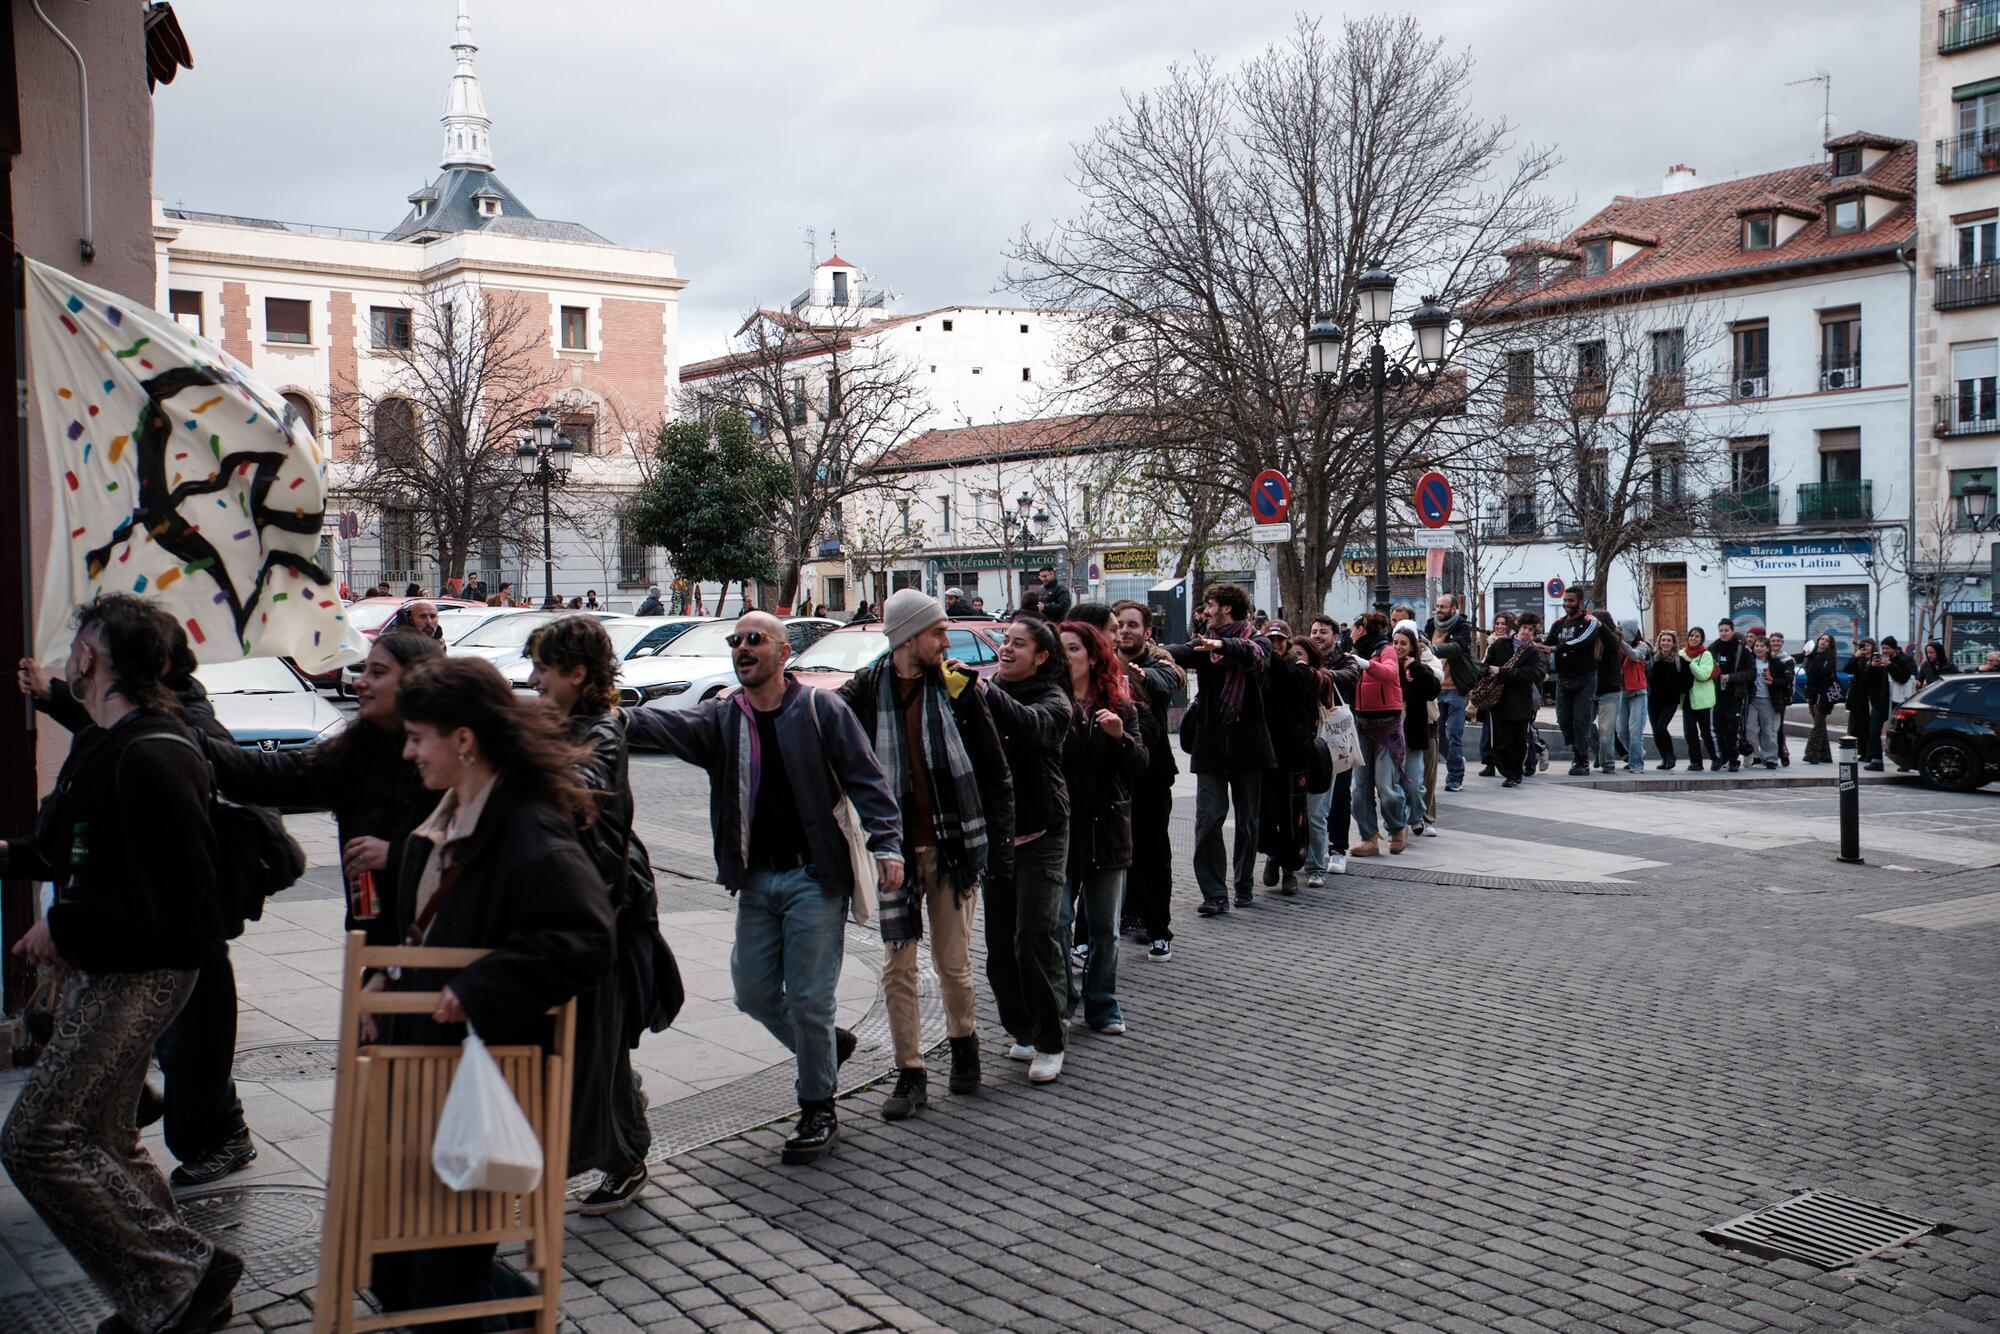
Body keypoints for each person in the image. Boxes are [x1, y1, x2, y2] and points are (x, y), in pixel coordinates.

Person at [3, 596, 244, 1334]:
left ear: (95, 659)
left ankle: (186, 1276)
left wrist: (63, 926)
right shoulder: (109, 738)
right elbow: (65, 847)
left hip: (145, 971)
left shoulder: (156, 750)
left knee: (37, 1137)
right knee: (106, 1134)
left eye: (80, 641)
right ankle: (175, 1293)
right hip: (110, 966)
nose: (68, 653)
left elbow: (178, 897)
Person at [361, 656, 612, 1328]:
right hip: (424, 1088)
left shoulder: (529, 827)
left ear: (464, 740)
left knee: (436, 1288)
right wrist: (384, 977)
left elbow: (584, 936)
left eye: (419, 737)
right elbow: (418, 930)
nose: (408, 751)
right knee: (397, 1270)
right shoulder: (441, 819)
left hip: (482, 1084)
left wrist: (479, 987)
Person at [624, 612, 902, 1164]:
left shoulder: (823, 710)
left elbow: (866, 778)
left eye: (754, 640)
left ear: (782, 651)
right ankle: (825, 1048)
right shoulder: (725, 719)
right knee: (752, 993)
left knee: (807, 997)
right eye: (736, 641)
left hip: (814, 877)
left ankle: (817, 1107)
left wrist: (887, 844)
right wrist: (611, 715)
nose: (742, 648)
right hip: (756, 880)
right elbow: (665, 726)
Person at [18, 624, 261, 1189]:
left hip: (189, 928)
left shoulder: (180, 724)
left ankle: (223, 1137)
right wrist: (53, 695)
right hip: (167, 926)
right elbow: (102, 728)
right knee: (170, 1042)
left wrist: (64, 923)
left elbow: (186, 860)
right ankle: (135, 1111)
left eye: (93, 652)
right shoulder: (144, 718)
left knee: (192, 1047)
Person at [836, 590, 1013, 1122]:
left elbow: (994, 770)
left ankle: (965, 1047)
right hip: (893, 852)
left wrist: (999, 849)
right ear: (908, 636)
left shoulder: (959, 686)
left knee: (953, 964)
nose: (945, 639)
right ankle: (909, 1072)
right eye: (937, 631)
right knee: (897, 966)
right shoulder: (865, 690)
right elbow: (821, 726)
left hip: (951, 847)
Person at [524, 617, 663, 1214]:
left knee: (596, 1047)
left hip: (602, 908)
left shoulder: (601, 731)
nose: (532, 681)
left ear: (577, 674)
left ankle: (626, 1159)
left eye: (542, 669)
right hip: (578, 905)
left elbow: (579, 787)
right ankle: (624, 1125)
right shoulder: (568, 722)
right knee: (598, 1047)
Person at [978, 617, 1074, 1083]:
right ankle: (1022, 1028)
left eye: (1019, 644)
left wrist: (984, 695)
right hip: (997, 838)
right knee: (998, 946)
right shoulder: (985, 690)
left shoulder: (1053, 699)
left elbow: (1034, 727)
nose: (1007, 649)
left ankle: (1051, 1039)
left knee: (1033, 937)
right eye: (1005, 641)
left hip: (1043, 834)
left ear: (1041, 657)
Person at [1056, 621, 1144, 1036]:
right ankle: (1062, 1001)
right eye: (1058, 650)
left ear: (1092, 656)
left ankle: (1102, 1003)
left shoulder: (1120, 705)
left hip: (1106, 827)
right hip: (1058, 830)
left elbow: (1140, 764)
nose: (1063, 657)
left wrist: (1120, 738)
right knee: (1055, 922)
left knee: (1105, 928)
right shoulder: (1047, 703)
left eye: (1072, 649)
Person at [1163, 584, 1273, 913]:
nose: (1205, 611)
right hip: (1211, 744)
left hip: (1248, 744)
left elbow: (1253, 654)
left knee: (1249, 822)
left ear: (1226, 608)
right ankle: (1214, 894)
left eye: (1210, 605)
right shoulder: (1204, 645)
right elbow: (1179, 651)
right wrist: (1150, 651)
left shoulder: (1258, 641)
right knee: (1208, 819)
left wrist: (1223, 644)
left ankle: (1243, 885)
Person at [1111, 600, 1184, 959]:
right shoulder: (1102, 659)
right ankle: (1120, 916)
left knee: (1153, 850)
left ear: (1147, 632)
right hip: (1112, 770)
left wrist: (1140, 676)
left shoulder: (1157, 661)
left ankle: (1159, 929)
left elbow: (1169, 680)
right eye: (1119, 625)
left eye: (1132, 625)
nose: (1125, 631)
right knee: (1113, 850)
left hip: (1152, 771)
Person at [1256, 622, 1322, 893]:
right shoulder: (1259, 670)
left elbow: (1290, 680)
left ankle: (1289, 870)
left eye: (1280, 640)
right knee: (1267, 812)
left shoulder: (1299, 670)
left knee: (1294, 814)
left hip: (1293, 754)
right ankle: (1272, 857)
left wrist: (1264, 651)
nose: (1275, 644)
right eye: (1270, 640)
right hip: (1265, 752)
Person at [1348, 611, 1410, 856]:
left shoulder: (1386, 650)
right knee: (1360, 788)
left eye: (1353, 628)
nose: (1350, 633)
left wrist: (1364, 664)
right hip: (1362, 724)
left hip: (1387, 726)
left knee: (1386, 786)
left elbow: (1390, 674)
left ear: (1361, 627)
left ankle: (1397, 828)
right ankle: (1369, 838)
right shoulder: (1353, 652)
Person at [1302, 616, 1359, 884]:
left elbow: (1351, 677)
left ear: (1335, 636)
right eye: (1314, 631)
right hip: (1310, 739)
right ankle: (1308, 853)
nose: (1317, 636)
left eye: (1323, 632)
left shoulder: (1344, 660)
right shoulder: (1302, 660)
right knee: (1311, 803)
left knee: (1339, 796)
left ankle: (1338, 849)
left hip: (1336, 739)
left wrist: (1321, 677)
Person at [1545, 589, 1602, 776]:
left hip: (1585, 678)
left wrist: (1556, 648)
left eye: (1571, 600)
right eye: (1565, 600)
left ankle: (1582, 759)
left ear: (1580, 601)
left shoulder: (1589, 622)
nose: (1567, 603)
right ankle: (1581, 748)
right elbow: (1547, 643)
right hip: (1563, 679)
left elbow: (1582, 641)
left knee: (1581, 720)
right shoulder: (1558, 624)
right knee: (1563, 720)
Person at [1486, 614, 1546, 788]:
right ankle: (1506, 771)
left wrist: (1502, 672)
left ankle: (1515, 773)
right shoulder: (1500, 644)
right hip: (1499, 699)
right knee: (1499, 741)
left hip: (1521, 702)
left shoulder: (1534, 652)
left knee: (1518, 741)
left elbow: (1533, 674)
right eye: (1524, 628)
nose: (1526, 632)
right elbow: (1487, 665)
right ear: (1518, 628)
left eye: (1531, 630)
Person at [1392, 625, 1440, 835]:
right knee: (1393, 785)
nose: (1398, 647)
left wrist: (1418, 669)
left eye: (1403, 643)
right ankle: (1399, 823)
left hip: (1413, 734)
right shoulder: (1387, 665)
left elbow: (1432, 691)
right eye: (1395, 643)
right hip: (1391, 735)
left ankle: (1416, 815)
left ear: (1412, 646)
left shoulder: (1419, 668)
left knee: (1414, 783)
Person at [1426, 594, 1475, 792]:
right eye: (1437, 606)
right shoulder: (1430, 625)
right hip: (1436, 689)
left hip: (1456, 688)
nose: (1439, 610)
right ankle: (1456, 760)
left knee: (1454, 732)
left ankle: (1455, 776)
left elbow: (1457, 647)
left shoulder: (1462, 627)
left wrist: (1432, 648)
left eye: (1443, 607)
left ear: (1454, 608)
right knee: (1438, 733)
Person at [1708, 618, 1754, 773]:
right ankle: (1722, 757)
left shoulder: (1741, 649)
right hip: (1717, 696)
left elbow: (1751, 672)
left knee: (1732, 730)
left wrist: (1732, 677)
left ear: (1732, 631)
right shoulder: (1713, 648)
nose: (1723, 633)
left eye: (1726, 630)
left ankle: (1734, 759)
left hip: (1735, 696)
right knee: (1718, 729)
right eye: (1721, 630)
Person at [1476, 611, 1517, 777]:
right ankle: (1489, 762)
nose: (1499, 627)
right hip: (1493, 692)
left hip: (1510, 692)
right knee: (1489, 729)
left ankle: (1528, 757)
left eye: (1503, 624)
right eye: (1497, 624)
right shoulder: (1491, 642)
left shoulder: (1515, 643)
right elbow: (1485, 665)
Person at [1612, 619, 1652, 774]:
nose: (1621, 632)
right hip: (1622, 692)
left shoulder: (1643, 646)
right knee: (1622, 731)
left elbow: (1635, 655)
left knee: (1635, 731)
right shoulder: (1618, 646)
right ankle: (1635, 754)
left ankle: (1636, 764)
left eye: (1623, 630)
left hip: (1638, 694)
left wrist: (1620, 641)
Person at [1744, 636, 1790, 769]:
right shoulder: (1749, 661)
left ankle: (1770, 758)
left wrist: (1773, 681)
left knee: (1769, 731)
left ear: (1768, 648)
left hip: (1769, 700)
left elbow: (1785, 681)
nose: (1758, 648)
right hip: (1752, 700)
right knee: (1750, 729)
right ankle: (1755, 755)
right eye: (1757, 646)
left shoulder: (1776, 663)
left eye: (1762, 646)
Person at [1845, 637, 1890, 771]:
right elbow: (1847, 668)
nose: (1865, 648)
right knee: (1859, 724)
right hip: (1858, 696)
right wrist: (1855, 656)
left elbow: (1872, 677)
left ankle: (1871, 753)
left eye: (1868, 645)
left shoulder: (1877, 660)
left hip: (1871, 695)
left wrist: (1872, 665)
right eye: (1863, 645)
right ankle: (1863, 751)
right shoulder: (1859, 659)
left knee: (1871, 725)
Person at [1646, 630, 1687, 771]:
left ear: (1673, 643)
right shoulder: (1652, 658)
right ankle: (1664, 757)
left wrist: (1676, 689)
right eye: (1663, 640)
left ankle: (1670, 755)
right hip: (1653, 700)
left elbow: (1688, 681)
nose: (1665, 643)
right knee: (1655, 731)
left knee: (1661, 727)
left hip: (1670, 701)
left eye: (1669, 641)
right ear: (1659, 642)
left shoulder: (1679, 660)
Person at [1680, 627, 1719, 771]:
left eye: (1697, 636)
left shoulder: (1706, 655)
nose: (1693, 638)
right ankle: (1696, 762)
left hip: (1704, 700)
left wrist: (1690, 663)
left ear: (1701, 639)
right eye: (1691, 635)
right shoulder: (1682, 653)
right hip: (1688, 698)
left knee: (1706, 732)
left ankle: (1715, 758)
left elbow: (1703, 675)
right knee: (1689, 732)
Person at [1590, 610, 1624, 774]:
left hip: (1610, 689)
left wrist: (1600, 627)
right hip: (1589, 689)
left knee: (1607, 730)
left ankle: (1608, 762)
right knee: (1583, 725)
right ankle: (1598, 753)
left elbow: (1612, 643)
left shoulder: (1613, 639)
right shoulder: (1588, 640)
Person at [1801, 633, 1841, 763]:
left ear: (1830, 645)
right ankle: (1825, 755)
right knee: (1820, 724)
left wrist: (1811, 657)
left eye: (1827, 641)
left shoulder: (1828, 657)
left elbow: (1821, 672)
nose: (1823, 642)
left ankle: (1812, 752)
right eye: (1822, 639)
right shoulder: (1811, 654)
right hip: (1812, 694)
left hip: (1824, 695)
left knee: (1818, 724)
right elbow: (1797, 658)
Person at [1766, 632, 1796, 766]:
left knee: (1778, 728)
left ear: (1782, 643)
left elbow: (1788, 679)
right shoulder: (1764, 658)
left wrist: (1774, 681)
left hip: (1780, 697)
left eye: (1778, 641)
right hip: (1764, 696)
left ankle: (1783, 754)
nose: (1775, 643)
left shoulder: (1788, 660)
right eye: (1773, 641)